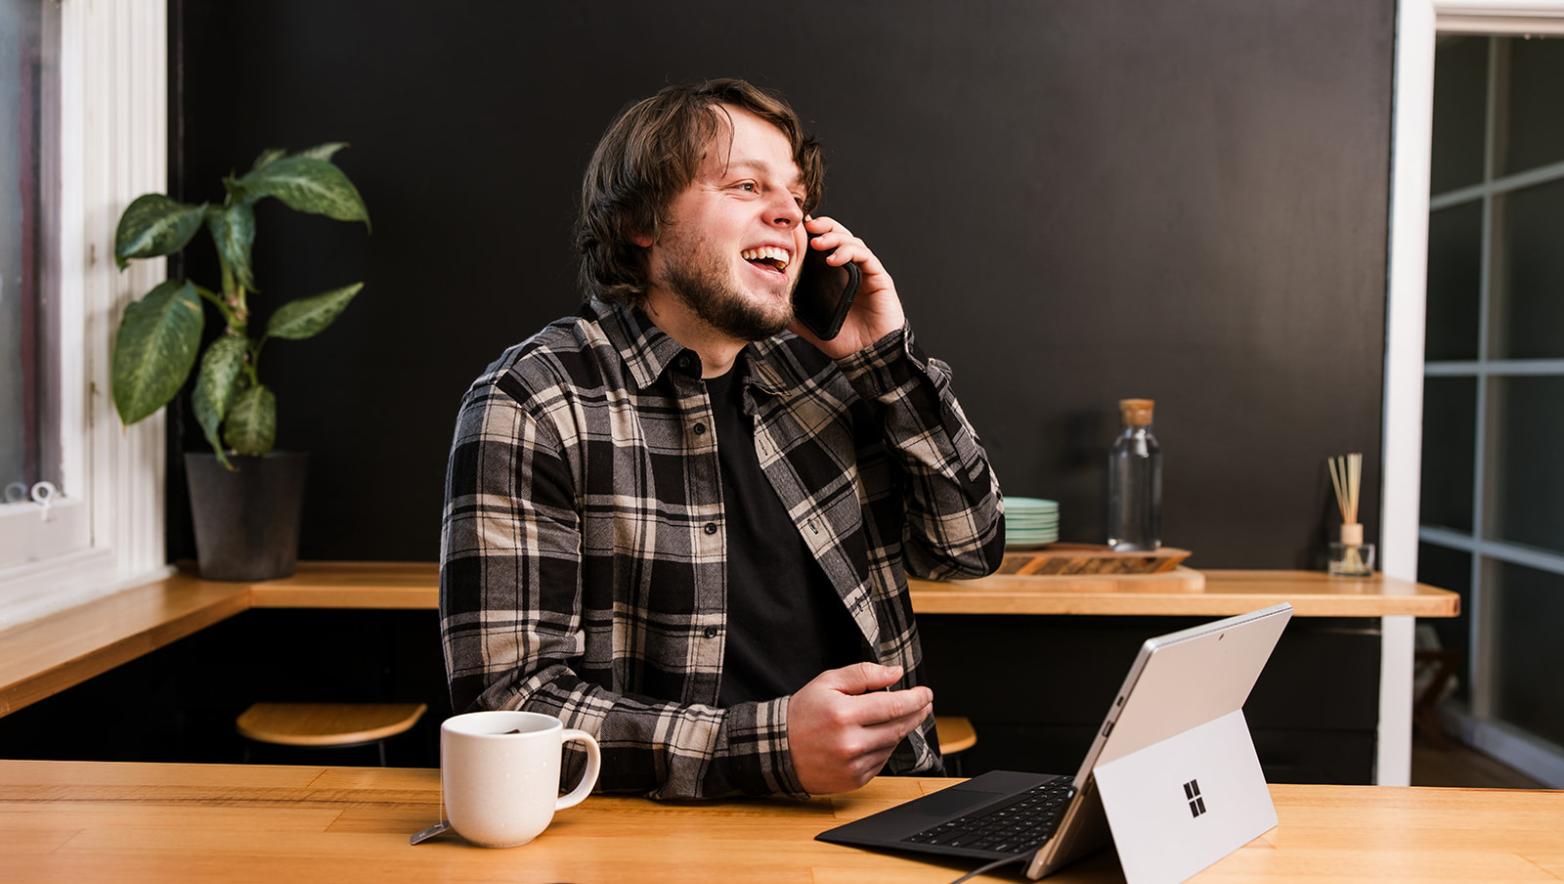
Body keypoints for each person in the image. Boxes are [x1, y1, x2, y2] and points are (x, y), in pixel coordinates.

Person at [439, 78, 1004, 800]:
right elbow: (510, 704)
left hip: (886, 804)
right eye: (745, 185)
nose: (788, 215)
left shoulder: (827, 378)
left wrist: (887, 361)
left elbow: (967, 548)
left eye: (797, 198)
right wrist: (769, 746)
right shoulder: (534, 402)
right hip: (667, 839)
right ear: (642, 222)